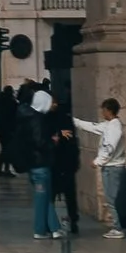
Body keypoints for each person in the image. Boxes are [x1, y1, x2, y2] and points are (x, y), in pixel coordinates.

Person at [20, 84, 58, 235]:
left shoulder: (26, 117)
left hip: (33, 162)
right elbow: (39, 142)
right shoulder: (37, 120)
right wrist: (52, 142)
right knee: (42, 198)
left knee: (46, 197)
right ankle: (40, 230)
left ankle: (54, 228)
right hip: (40, 163)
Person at [45, 97, 82, 237]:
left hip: (58, 163)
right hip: (65, 163)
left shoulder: (49, 118)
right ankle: (72, 220)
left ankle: (51, 222)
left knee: (54, 194)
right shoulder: (63, 119)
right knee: (69, 195)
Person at [93, 98, 126, 236]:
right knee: (114, 197)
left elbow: (110, 148)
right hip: (113, 167)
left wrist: (98, 161)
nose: (102, 112)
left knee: (112, 198)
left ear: (109, 111)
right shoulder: (110, 125)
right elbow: (93, 126)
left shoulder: (114, 127)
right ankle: (120, 225)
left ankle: (118, 227)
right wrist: (75, 122)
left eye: (103, 110)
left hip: (113, 167)